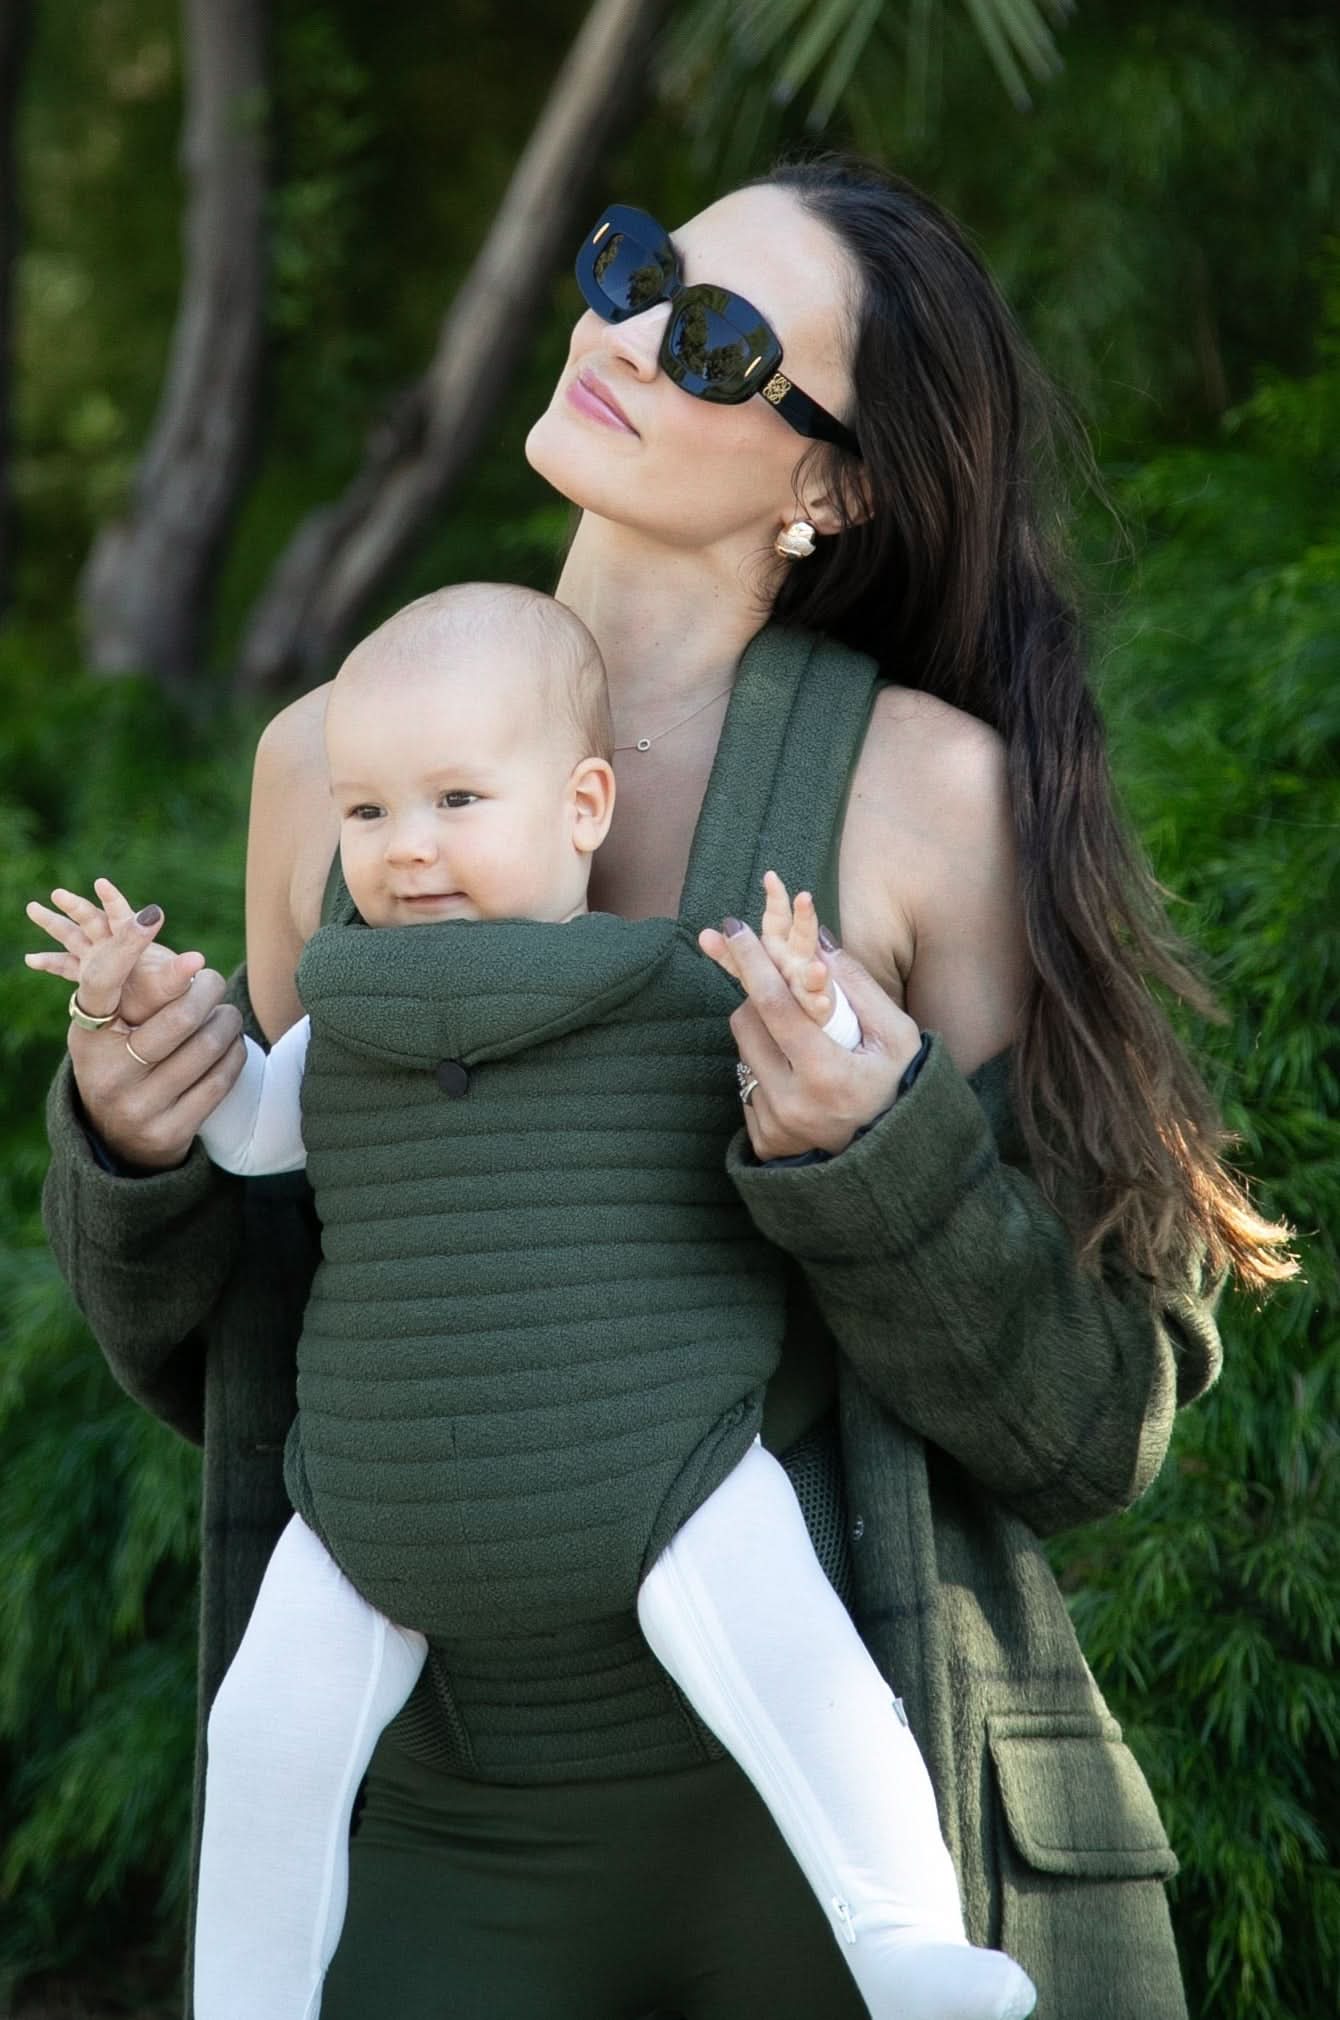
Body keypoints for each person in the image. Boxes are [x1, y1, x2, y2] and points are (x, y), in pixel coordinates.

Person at [32, 156, 1294, 2020]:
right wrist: (142, 1153)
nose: (624, 333)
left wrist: (879, 1162)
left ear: (832, 485)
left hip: (861, 1851)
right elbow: (283, 1350)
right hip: (438, 1846)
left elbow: (1094, 1429)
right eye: (638, 269)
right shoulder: (324, 770)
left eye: (716, 343)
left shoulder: (929, 797)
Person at [30, 580, 1035, 2020]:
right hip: (379, 1497)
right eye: (367, 815)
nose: (407, 850)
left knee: (809, 1676)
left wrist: (812, 1014)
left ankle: (903, 1945)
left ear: (583, 807)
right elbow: (251, 1132)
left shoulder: (665, 997)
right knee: (264, 1735)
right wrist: (142, 1033)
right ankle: (243, 1999)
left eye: (453, 799)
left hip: (665, 1465)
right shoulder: (350, 1020)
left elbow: (771, 1099)